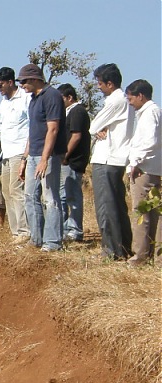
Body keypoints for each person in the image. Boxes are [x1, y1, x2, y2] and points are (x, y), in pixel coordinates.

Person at [17, 63, 66, 252]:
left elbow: (53, 129)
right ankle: (36, 239)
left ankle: (53, 242)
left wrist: (45, 159)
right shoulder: (33, 99)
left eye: (24, 81)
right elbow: (33, 131)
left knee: (50, 197)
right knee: (30, 196)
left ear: (36, 78)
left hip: (49, 155)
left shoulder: (52, 96)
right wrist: (25, 158)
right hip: (33, 154)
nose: (22, 85)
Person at [89, 63, 134, 260]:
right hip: (115, 158)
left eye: (100, 83)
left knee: (106, 207)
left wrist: (98, 128)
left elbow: (93, 126)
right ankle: (122, 247)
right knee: (117, 205)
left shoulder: (115, 101)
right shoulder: (124, 100)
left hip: (107, 158)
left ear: (109, 83)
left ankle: (111, 251)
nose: (98, 87)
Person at [125, 79, 161, 266]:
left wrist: (136, 163)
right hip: (151, 168)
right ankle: (155, 256)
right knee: (153, 214)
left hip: (144, 170)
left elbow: (150, 141)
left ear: (140, 96)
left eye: (131, 98)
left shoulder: (149, 113)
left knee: (141, 214)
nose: (130, 102)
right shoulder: (153, 112)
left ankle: (140, 257)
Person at [0, 67, 32, 243]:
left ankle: (25, 232)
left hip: (19, 152)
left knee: (17, 191)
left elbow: (33, 127)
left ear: (10, 82)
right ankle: (15, 232)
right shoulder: (4, 102)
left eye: (0, 84)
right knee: (7, 192)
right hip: (6, 154)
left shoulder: (25, 98)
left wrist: (25, 155)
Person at [57, 83, 91, 242]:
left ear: (69, 97)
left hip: (73, 161)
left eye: (61, 99)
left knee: (72, 196)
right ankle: (65, 229)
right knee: (63, 196)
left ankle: (75, 230)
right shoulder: (68, 112)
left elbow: (76, 136)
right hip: (67, 161)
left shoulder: (77, 111)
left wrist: (65, 155)